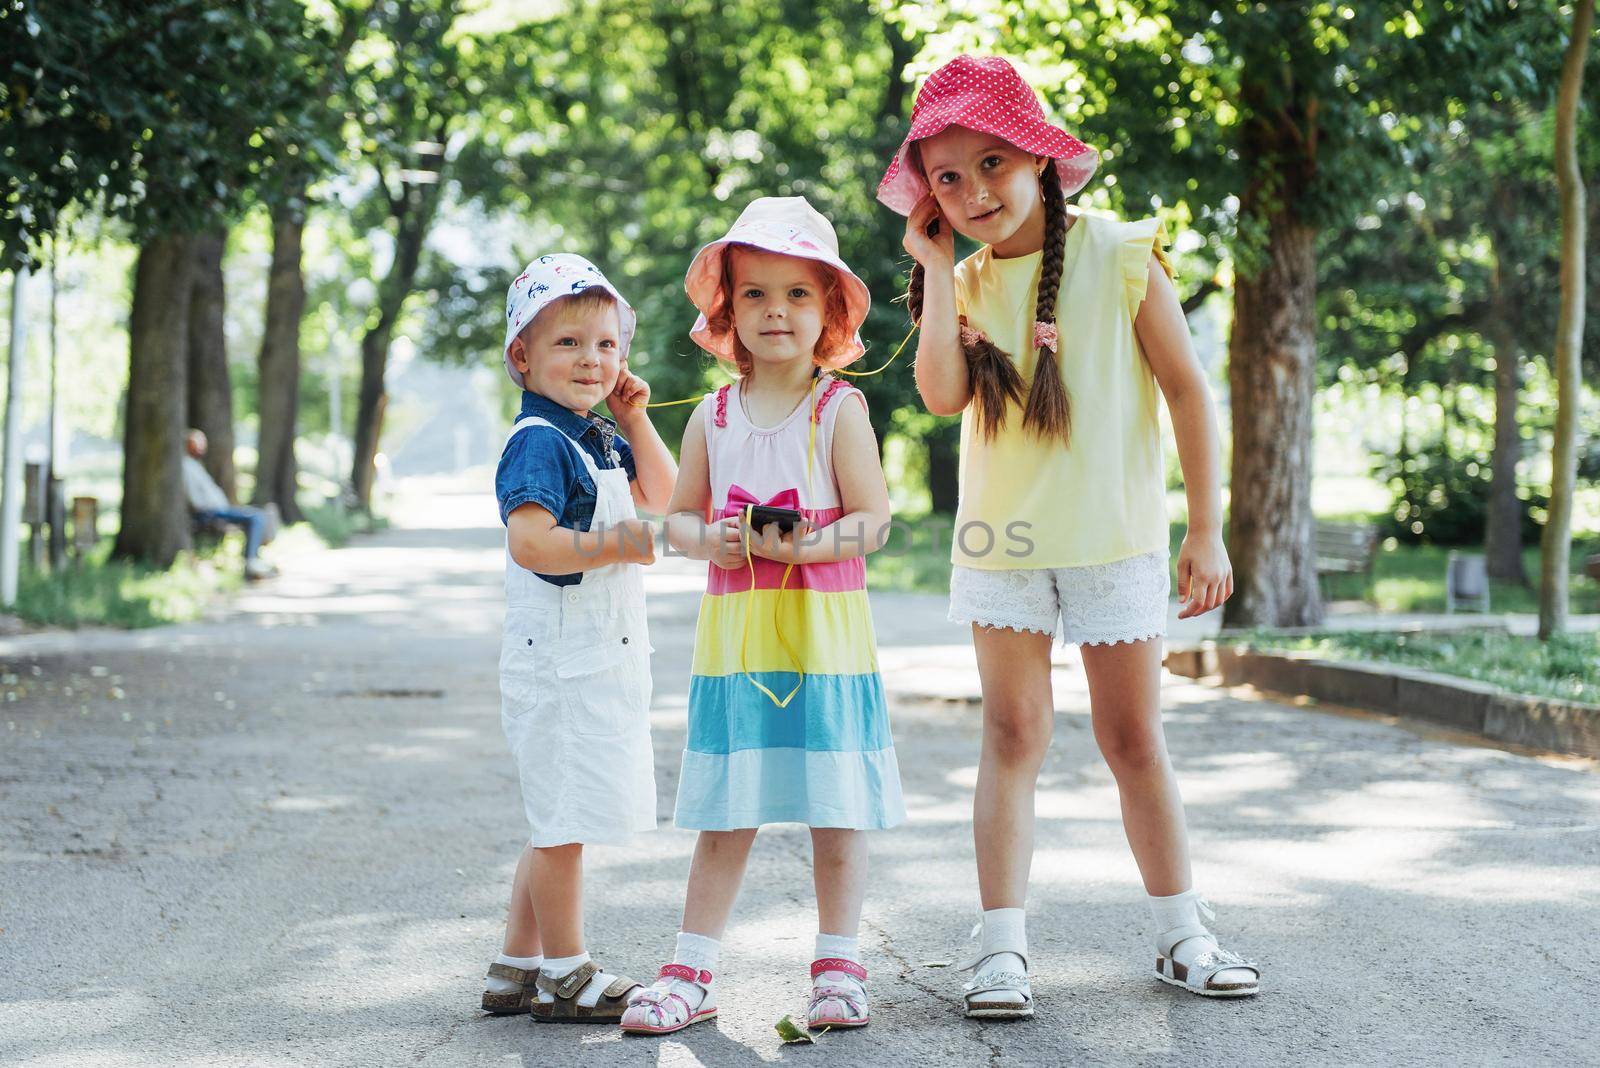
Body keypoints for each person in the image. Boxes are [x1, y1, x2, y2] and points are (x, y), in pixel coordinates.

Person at [880, 55, 1260, 1014]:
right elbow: (939, 396)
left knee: (1135, 739)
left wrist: (1206, 530)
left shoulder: (1123, 253)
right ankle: (1000, 949)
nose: (972, 193)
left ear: (1040, 159)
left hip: (1116, 541)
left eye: (991, 163)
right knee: (1012, 735)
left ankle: (1184, 933)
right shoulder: (958, 280)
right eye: (947, 179)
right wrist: (932, 272)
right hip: (1003, 548)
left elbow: (1187, 392)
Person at [620, 197, 904, 1036]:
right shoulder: (713, 414)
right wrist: (716, 541)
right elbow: (676, 520)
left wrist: (810, 547)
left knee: (835, 803)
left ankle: (839, 963)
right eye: (755, 294)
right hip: (739, 639)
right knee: (728, 805)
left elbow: (873, 518)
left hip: (825, 638)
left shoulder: (837, 409)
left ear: (829, 312)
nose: (776, 311)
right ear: (727, 310)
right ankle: (692, 968)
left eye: (797, 294)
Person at [480, 253, 678, 1023]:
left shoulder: (595, 432)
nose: (592, 360)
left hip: (593, 659)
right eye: (568, 344)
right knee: (563, 823)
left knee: (556, 817)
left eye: (606, 344)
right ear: (521, 358)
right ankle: (565, 972)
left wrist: (635, 415)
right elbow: (531, 545)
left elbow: (662, 492)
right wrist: (614, 547)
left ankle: (515, 965)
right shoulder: (539, 438)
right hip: (558, 667)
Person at [181, 430, 276, 580]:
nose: (202, 446)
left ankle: (256, 558)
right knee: (256, 517)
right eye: (197, 442)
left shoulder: (195, 465)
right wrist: (213, 508)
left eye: (203, 442)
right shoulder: (186, 466)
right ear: (188, 444)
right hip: (210, 513)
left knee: (260, 513)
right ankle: (251, 562)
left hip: (219, 510)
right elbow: (196, 500)